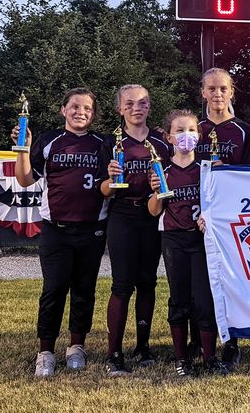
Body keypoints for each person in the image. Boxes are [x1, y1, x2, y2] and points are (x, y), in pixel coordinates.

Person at [12, 88, 108, 377]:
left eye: (87, 108)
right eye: (75, 107)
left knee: (84, 290)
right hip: (56, 228)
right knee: (54, 288)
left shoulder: (102, 142)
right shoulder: (48, 140)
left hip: (92, 227)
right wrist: (22, 149)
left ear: (93, 114)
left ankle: (77, 345)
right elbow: (25, 179)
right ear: (63, 110)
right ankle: (46, 351)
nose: (81, 112)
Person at [148, 109, 230, 377]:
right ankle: (181, 358)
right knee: (180, 299)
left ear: (199, 134)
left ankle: (209, 357)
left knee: (205, 301)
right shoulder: (163, 170)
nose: (186, 135)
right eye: (180, 130)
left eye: (192, 130)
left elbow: (219, 205)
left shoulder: (207, 169)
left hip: (202, 240)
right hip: (174, 239)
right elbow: (153, 211)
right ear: (170, 137)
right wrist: (157, 192)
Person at [100, 84, 170, 375]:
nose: (136, 108)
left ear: (149, 107)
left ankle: (143, 347)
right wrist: (109, 180)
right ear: (119, 109)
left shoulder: (162, 144)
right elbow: (102, 190)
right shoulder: (110, 144)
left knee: (148, 282)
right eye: (129, 103)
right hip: (122, 214)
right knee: (121, 284)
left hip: (153, 215)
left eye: (142, 103)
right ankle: (114, 352)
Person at [195, 67, 250, 370]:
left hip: (227, 220)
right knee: (198, 282)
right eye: (211, 89)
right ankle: (200, 338)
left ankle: (231, 342)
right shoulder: (193, 127)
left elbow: (248, 177)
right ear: (203, 92)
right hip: (193, 215)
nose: (217, 94)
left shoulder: (243, 130)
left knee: (227, 280)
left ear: (231, 92)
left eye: (223, 89)